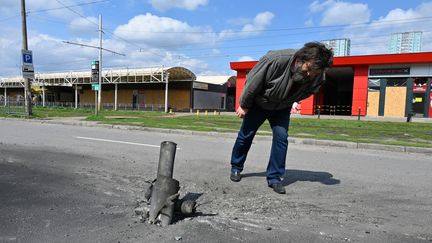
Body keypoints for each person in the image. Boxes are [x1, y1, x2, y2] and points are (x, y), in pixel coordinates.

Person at [229, 42, 333, 194]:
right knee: (246, 135)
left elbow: (312, 89)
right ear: (301, 59)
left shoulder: (317, 73)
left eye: (315, 72)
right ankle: (236, 167)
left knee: (281, 138)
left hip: (282, 108)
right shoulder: (276, 59)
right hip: (259, 103)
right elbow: (253, 82)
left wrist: (293, 99)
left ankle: (274, 177)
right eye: (308, 69)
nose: (310, 74)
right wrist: (244, 105)